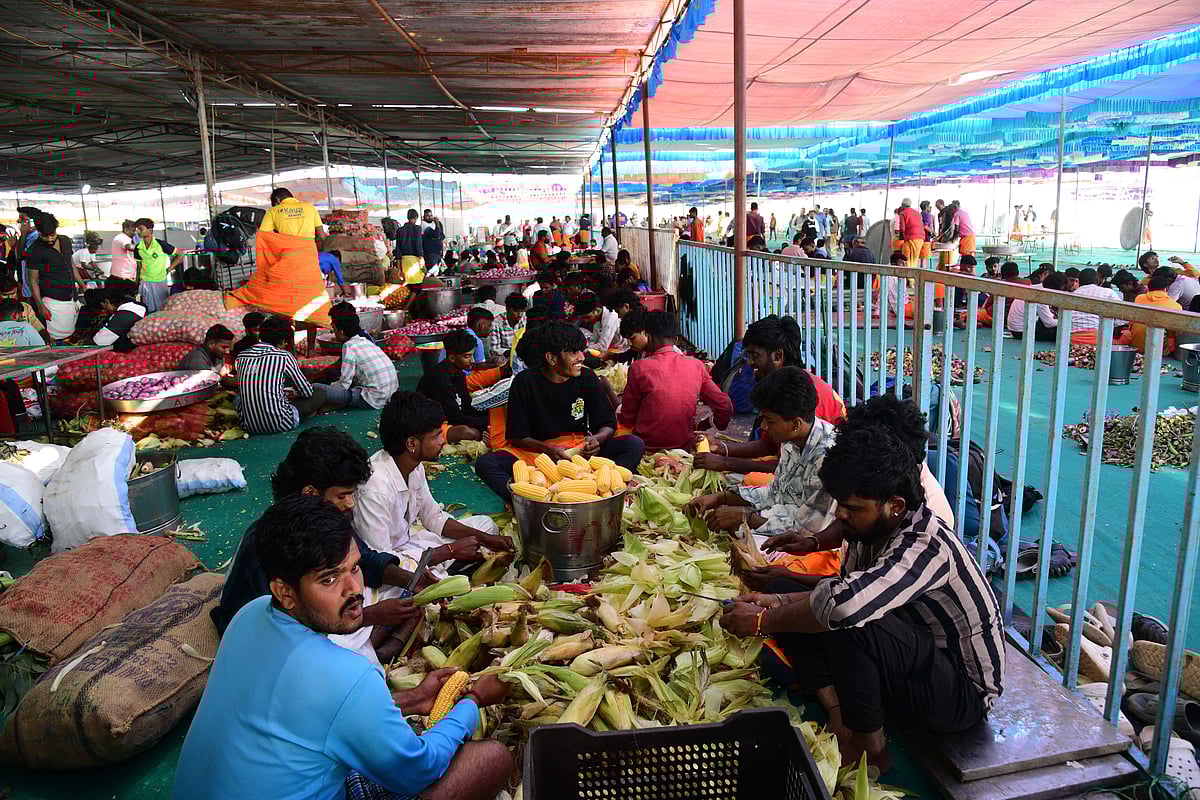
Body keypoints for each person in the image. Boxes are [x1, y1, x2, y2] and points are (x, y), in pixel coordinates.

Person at [173, 493, 513, 800]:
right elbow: (418, 771)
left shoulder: (249, 615)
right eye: (329, 579)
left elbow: (302, 713)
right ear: (284, 592)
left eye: (354, 568)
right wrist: (473, 700)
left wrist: (412, 699)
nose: (354, 590)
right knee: (491, 759)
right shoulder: (348, 675)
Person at [722, 426, 1003, 772]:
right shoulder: (871, 529)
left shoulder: (925, 545)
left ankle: (872, 749)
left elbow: (845, 605)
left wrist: (763, 622)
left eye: (852, 508)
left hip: (958, 694)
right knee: (785, 591)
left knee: (848, 619)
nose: (840, 514)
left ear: (895, 506)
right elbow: (836, 590)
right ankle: (836, 710)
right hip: (909, 662)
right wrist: (777, 603)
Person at [473, 321, 646, 503]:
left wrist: (597, 440)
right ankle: (529, 502)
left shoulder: (587, 378)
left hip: (579, 451)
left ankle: (609, 491)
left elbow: (607, 424)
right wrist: (548, 449)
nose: (581, 357)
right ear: (552, 358)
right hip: (537, 453)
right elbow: (517, 436)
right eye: (572, 352)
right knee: (487, 464)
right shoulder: (525, 382)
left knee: (634, 444)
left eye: (581, 350)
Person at [354, 390, 512, 574]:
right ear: (411, 444)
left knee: (486, 525)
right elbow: (382, 563)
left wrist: (486, 539)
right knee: (428, 582)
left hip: (411, 545)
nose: (442, 441)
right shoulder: (374, 490)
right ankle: (444, 571)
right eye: (436, 436)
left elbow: (432, 516)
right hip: (391, 563)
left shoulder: (414, 466)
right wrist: (450, 551)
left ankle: (446, 568)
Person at [685, 367, 836, 547]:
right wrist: (721, 498)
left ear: (795, 424)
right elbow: (774, 493)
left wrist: (744, 517)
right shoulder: (792, 441)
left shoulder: (827, 457)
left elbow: (806, 529)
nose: (763, 427)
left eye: (769, 420)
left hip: (812, 542)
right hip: (785, 517)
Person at [617, 311, 731, 451]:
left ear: (649, 337)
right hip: (684, 448)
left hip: (647, 448)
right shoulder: (696, 365)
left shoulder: (639, 368)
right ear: (676, 340)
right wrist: (711, 424)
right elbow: (725, 405)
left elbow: (628, 417)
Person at [235, 315, 326, 434]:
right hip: (282, 424)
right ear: (282, 340)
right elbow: (307, 392)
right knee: (319, 392)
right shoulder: (284, 356)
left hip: (250, 426)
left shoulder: (241, 357)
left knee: (238, 398)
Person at [316, 304, 398, 409]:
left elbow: (344, 385)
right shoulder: (364, 340)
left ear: (341, 332)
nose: (333, 331)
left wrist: (330, 388)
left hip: (375, 399)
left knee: (319, 389)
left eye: (334, 328)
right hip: (391, 394)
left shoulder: (349, 346)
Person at [417, 329, 493, 433]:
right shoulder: (440, 380)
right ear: (452, 358)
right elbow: (455, 419)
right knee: (471, 433)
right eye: (467, 356)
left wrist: (492, 416)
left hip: (453, 419)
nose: (472, 361)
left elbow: (467, 406)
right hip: (432, 426)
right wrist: (490, 421)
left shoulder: (459, 374)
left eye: (472, 355)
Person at [25, 213, 84, 342]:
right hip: (52, 300)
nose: (49, 239)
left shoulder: (65, 241)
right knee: (56, 337)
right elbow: (33, 281)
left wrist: (82, 285)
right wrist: (40, 306)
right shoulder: (34, 251)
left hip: (71, 296)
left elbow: (71, 265)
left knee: (72, 334)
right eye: (45, 236)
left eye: (52, 235)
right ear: (39, 232)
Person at [1126, 267, 1182, 355]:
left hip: (1136, 345)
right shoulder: (1176, 306)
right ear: (1166, 288)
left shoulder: (1139, 298)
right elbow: (1173, 331)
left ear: (1148, 288)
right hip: (1158, 350)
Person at [134, 218, 183, 313]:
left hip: (159, 282)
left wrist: (168, 269)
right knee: (146, 310)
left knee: (162, 310)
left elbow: (180, 255)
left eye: (141, 229)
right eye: (137, 229)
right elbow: (138, 267)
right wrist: (137, 283)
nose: (138, 232)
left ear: (150, 230)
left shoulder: (161, 244)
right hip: (145, 282)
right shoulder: (138, 248)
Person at [1070, 268, 1126, 344]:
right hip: (1099, 338)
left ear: (1079, 281)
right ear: (1097, 280)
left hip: (1073, 339)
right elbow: (1122, 318)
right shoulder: (1108, 292)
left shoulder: (1071, 295)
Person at [1007, 271, 1066, 341]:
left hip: (1016, 328)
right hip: (1021, 332)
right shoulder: (1041, 296)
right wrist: (1066, 321)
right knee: (1063, 330)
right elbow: (1049, 323)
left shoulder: (1037, 288)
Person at [260, 187, 325, 240]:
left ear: (277, 200)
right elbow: (322, 235)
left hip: (287, 252)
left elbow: (263, 234)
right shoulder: (310, 207)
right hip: (309, 251)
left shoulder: (273, 211)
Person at [0, 275, 47, 342]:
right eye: (5, 295)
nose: (10, 297)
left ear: (17, 291)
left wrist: (46, 336)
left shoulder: (25, 307)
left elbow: (38, 328)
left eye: (13, 293)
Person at [488, 293, 526, 358]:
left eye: (522, 311)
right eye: (516, 311)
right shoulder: (496, 323)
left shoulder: (525, 319)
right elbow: (494, 350)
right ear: (507, 308)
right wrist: (511, 352)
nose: (519, 314)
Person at [394, 209, 425, 286]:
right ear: (415, 218)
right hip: (414, 261)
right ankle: (414, 298)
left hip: (404, 261)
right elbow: (418, 244)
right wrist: (421, 257)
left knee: (408, 283)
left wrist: (399, 268)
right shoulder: (417, 228)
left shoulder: (400, 230)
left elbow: (398, 249)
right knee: (417, 284)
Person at [897, 199, 923, 267]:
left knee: (906, 260)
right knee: (914, 260)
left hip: (911, 238)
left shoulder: (903, 213)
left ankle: (909, 277)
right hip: (920, 238)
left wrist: (901, 238)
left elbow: (902, 229)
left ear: (902, 206)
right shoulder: (917, 213)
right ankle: (913, 276)